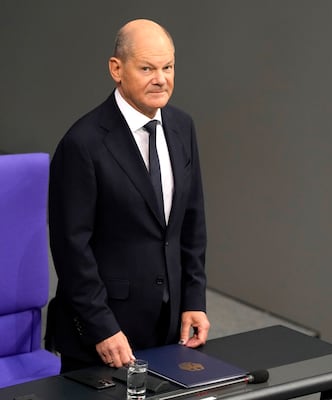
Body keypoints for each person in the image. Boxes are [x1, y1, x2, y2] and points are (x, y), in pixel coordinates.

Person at [46, 19, 210, 373]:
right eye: (147, 68)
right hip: (105, 336)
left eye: (168, 67)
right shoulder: (83, 144)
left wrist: (194, 299)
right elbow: (71, 248)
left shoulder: (182, 127)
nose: (161, 78)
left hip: (170, 329)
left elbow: (192, 223)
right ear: (116, 69)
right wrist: (102, 327)